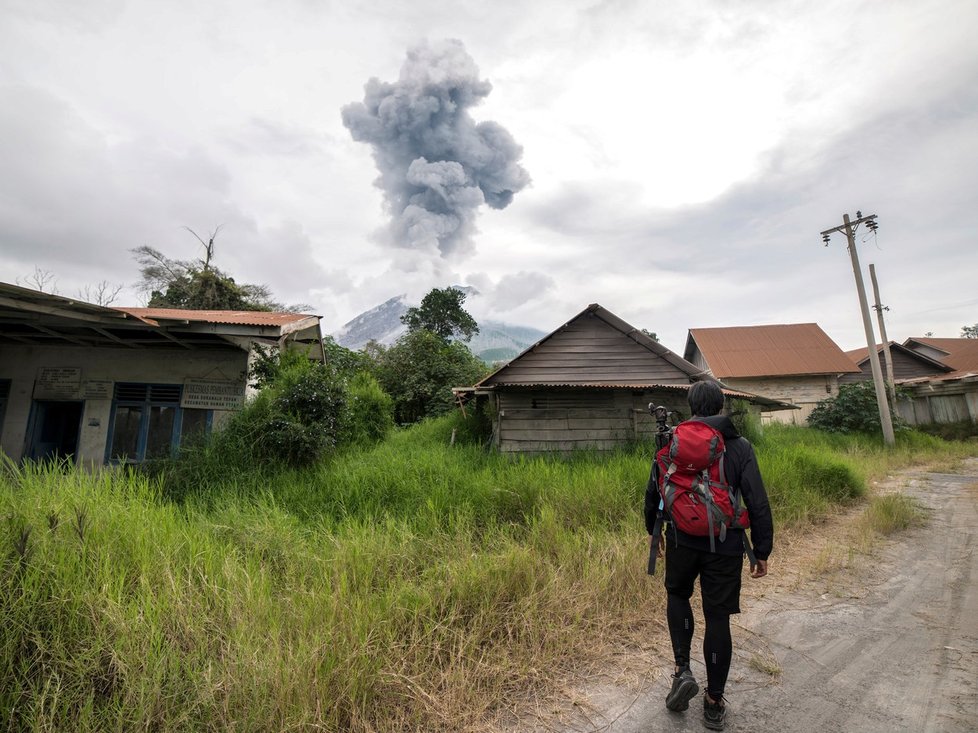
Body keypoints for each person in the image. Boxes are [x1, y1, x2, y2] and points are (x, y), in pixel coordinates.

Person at [644, 380, 774, 731]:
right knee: (718, 618)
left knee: (678, 596)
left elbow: (655, 488)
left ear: (691, 406)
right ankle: (714, 702)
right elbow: (757, 501)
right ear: (720, 406)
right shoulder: (739, 446)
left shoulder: (672, 442)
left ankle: (682, 670)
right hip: (727, 545)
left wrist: (653, 532)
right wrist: (762, 550)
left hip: (681, 540)